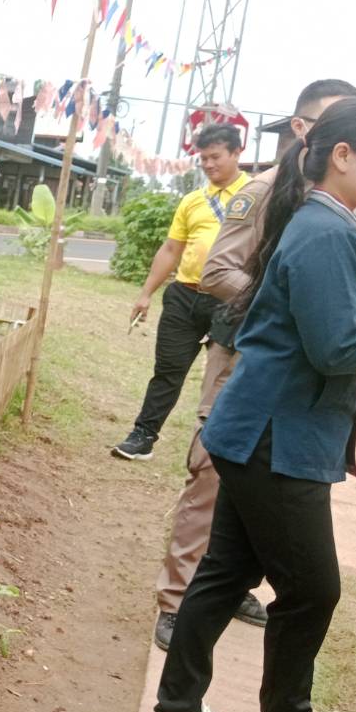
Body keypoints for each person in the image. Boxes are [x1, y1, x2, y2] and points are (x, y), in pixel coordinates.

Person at [147, 97, 356, 712]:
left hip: (263, 429)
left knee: (224, 570)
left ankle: (177, 709)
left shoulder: (328, 226)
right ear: (343, 155)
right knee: (311, 590)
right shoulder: (322, 232)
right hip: (275, 437)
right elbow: (337, 346)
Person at [112, 124, 250, 460]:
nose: (208, 164)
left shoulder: (257, 195)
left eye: (215, 157)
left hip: (231, 300)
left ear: (236, 153)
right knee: (168, 371)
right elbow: (171, 249)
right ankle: (142, 437)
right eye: (203, 158)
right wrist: (145, 294)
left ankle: (211, 452)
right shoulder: (193, 201)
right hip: (185, 295)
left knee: (221, 380)